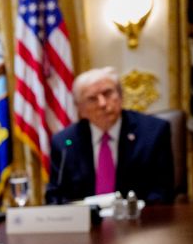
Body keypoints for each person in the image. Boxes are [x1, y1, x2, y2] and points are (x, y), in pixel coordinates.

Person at [46, 67, 174, 204]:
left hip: (139, 221)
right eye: (92, 99)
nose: (103, 104)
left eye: (107, 93)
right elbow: (55, 197)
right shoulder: (64, 142)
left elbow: (162, 192)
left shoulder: (153, 132)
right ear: (80, 109)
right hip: (87, 223)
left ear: (120, 96)